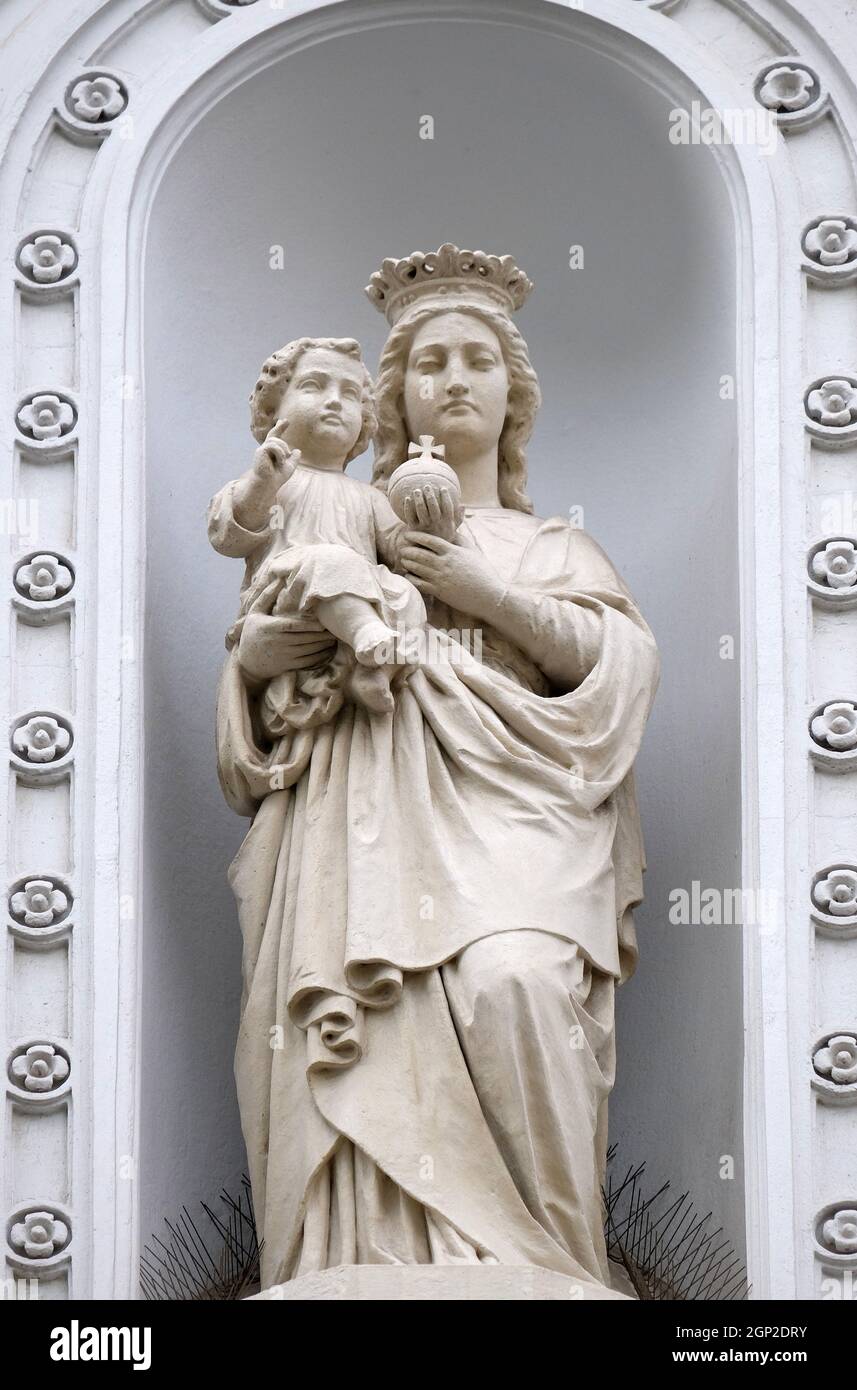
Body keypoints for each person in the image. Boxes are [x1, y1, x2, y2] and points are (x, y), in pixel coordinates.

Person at [212, 246, 660, 1293]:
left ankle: (550, 1263)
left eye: (476, 360)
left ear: (513, 399)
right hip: (356, 812)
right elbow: (256, 668)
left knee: (516, 981)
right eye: (426, 363)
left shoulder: (552, 544)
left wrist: (477, 588)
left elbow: (616, 672)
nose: (452, 379)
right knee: (353, 1018)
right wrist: (268, 657)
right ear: (390, 396)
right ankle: (353, 1253)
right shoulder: (339, 519)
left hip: (522, 812)